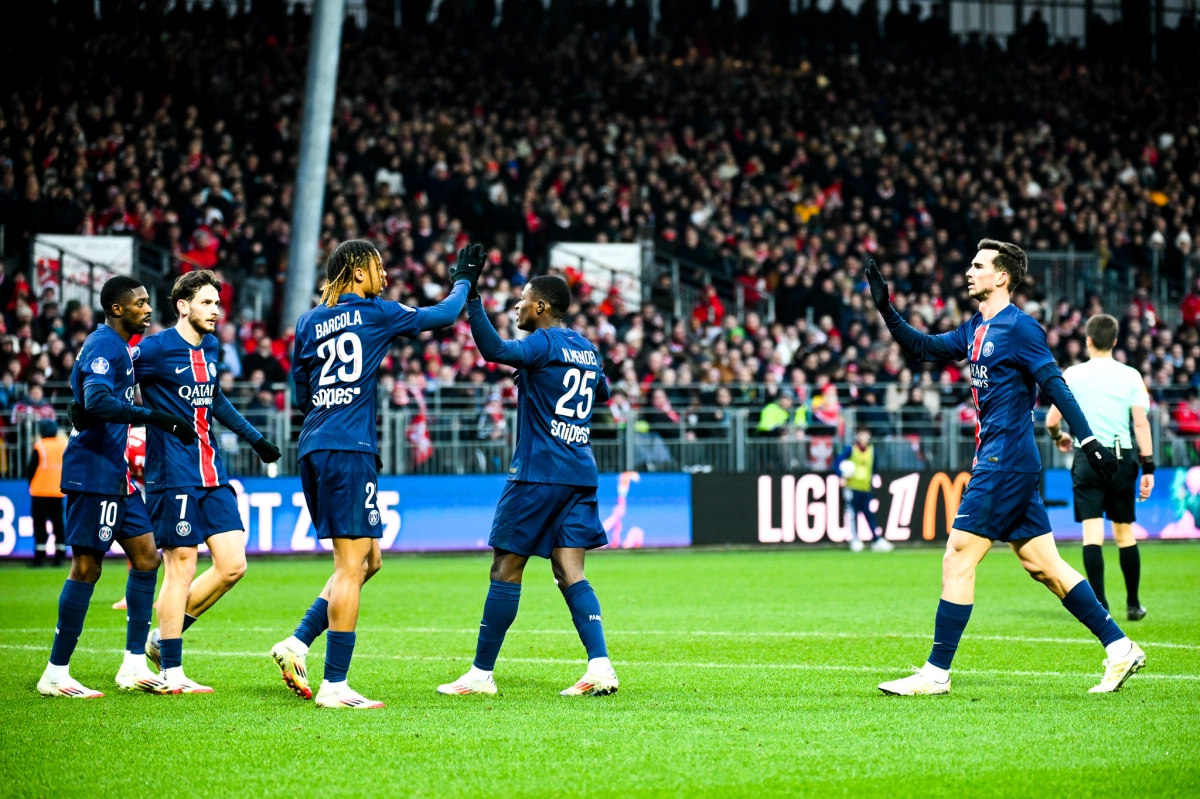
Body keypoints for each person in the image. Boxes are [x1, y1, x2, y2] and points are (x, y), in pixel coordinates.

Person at [864, 240, 1144, 696]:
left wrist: (1088, 439)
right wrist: (886, 309)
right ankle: (1120, 648)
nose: (969, 272)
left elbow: (1053, 382)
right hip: (1005, 459)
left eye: (978, 266)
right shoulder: (976, 326)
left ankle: (936, 674)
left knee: (958, 553)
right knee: (1045, 565)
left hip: (1004, 460)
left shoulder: (1020, 328)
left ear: (1002, 277)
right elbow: (923, 347)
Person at [270, 239, 477, 709]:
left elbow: (300, 390)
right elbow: (443, 316)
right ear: (357, 271)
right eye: (378, 265)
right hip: (349, 448)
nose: (384, 273)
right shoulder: (377, 312)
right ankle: (335, 686)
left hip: (315, 445)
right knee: (350, 566)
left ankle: (298, 644)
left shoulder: (308, 321)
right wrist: (464, 279)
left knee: (368, 562)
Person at [437, 273, 618, 698]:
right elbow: (603, 392)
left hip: (538, 472)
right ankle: (601, 665)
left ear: (541, 307)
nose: (517, 306)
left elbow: (494, 350)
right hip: (580, 472)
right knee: (569, 570)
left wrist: (474, 300)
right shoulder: (586, 349)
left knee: (506, 567)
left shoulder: (544, 341)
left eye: (522, 299)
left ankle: (481, 674)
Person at [37, 276, 195, 698]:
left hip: (117, 476)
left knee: (146, 557)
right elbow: (96, 401)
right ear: (118, 309)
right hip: (93, 473)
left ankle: (132, 664)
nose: (148, 308)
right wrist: (154, 416)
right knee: (86, 568)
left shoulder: (121, 347)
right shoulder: (105, 343)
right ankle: (55, 672)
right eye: (141, 303)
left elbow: (87, 404)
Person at [130, 270, 282, 692]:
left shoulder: (211, 347)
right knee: (181, 567)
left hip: (212, 472)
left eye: (217, 303)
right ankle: (171, 672)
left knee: (233, 565)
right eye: (207, 302)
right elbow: (110, 383)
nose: (216, 310)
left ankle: (162, 638)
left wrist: (255, 439)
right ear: (183, 306)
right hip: (172, 475)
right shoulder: (155, 350)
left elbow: (214, 398)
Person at [1045, 313, 1154, 621]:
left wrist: (1059, 437)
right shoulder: (1131, 375)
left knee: (1092, 533)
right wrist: (1149, 468)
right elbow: (1141, 423)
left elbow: (1052, 420)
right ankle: (1133, 604)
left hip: (1086, 456)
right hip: (1121, 458)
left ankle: (1100, 607)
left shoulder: (1074, 374)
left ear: (1088, 340)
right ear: (1115, 341)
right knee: (1124, 534)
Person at [835, 426, 892, 553]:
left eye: (865, 434)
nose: (863, 437)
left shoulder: (872, 451)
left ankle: (876, 539)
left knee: (868, 514)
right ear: (857, 436)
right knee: (852, 513)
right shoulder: (851, 449)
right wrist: (841, 476)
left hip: (865, 487)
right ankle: (854, 539)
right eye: (861, 434)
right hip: (852, 486)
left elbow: (873, 469)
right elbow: (837, 462)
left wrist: (872, 483)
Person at [26, 418, 66, 567]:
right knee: (59, 524)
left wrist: (32, 484)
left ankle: (40, 558)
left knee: (39, 525)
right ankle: (60, 557)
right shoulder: (63, 445)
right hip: (58, 491)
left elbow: (31, 469)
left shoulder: (40, 446)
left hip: (40, 491)